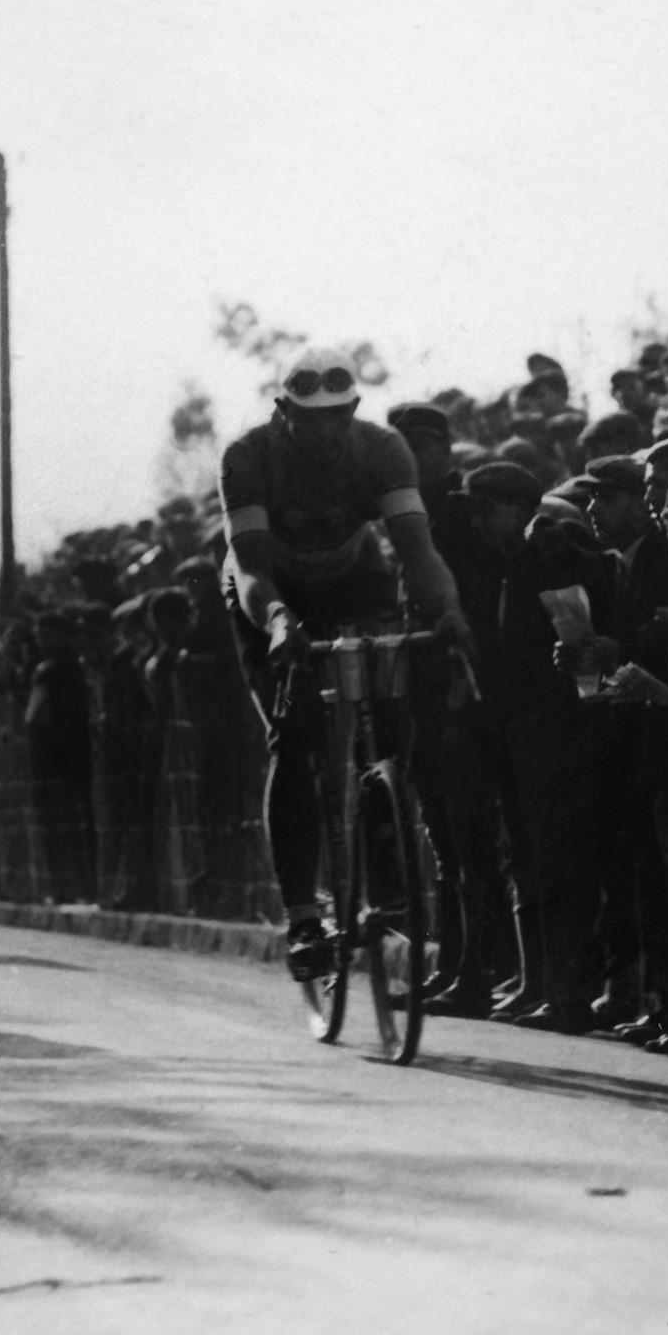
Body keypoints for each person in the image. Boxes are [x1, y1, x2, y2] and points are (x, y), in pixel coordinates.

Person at [219, 344, 476, 981]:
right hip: (268, 588)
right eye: (310, 419)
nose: (326, 432)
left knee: (390, 722)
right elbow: (251, 567)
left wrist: (448, 610)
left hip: (353, 572)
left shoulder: (382, 448)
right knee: (296, 734)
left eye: (339, 416)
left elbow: (417, 552)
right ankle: (305, 914)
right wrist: (279, 622)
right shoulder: (247, 458)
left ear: (355, 408)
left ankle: (385, 870)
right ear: (282, 412)